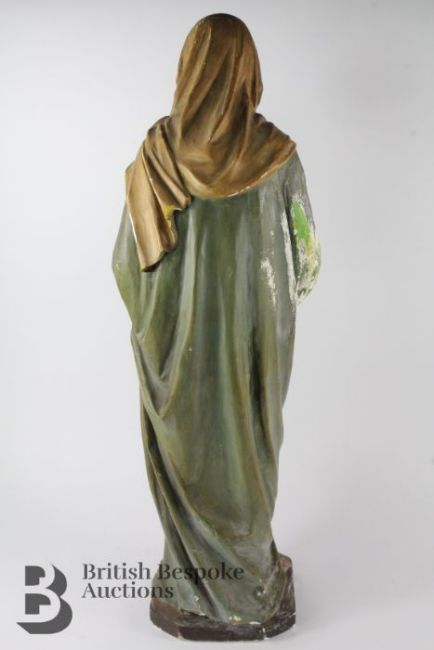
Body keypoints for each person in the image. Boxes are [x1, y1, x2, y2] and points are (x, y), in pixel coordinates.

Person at [112, 13, 320, 641]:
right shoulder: (277, 157)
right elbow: (306, 260)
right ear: (248, 71)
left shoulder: (156, 157)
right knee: (249, 455)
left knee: (190, 459)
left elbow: (126, 264)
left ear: (188, 68)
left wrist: (166, 327)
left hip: (176, 358)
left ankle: (192, 584)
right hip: (254, 351)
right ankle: (249, 583)